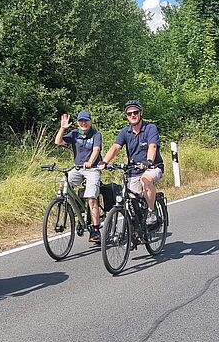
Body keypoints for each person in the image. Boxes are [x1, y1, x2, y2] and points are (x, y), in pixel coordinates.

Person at [101, 100, 164, 225]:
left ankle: (151, 212)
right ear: (127, 116)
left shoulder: (150, 128)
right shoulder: (125, 132)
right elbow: (115, 148)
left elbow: (152, 147)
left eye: (135, 112)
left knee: (145, 179)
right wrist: (104, 162)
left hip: (152, 167)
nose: (133, 115)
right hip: (134, 169)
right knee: (130, 200)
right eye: (129, 114)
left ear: (140, 113)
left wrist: (149, 161)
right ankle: (135, 228)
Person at [54, 110, 102, 243]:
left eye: (86, 120)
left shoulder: (96, 134)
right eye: (81, 121)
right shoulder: (74, 134)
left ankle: (95, 229)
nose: (83, 123)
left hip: (92, 169)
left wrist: (90, 162)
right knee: (63, 186)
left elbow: (96, 150)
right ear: (77, 123)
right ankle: (75, 207)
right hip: (77, 168)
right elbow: (58, 142)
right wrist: (62, 128)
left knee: (92, 198)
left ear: (90, 121)